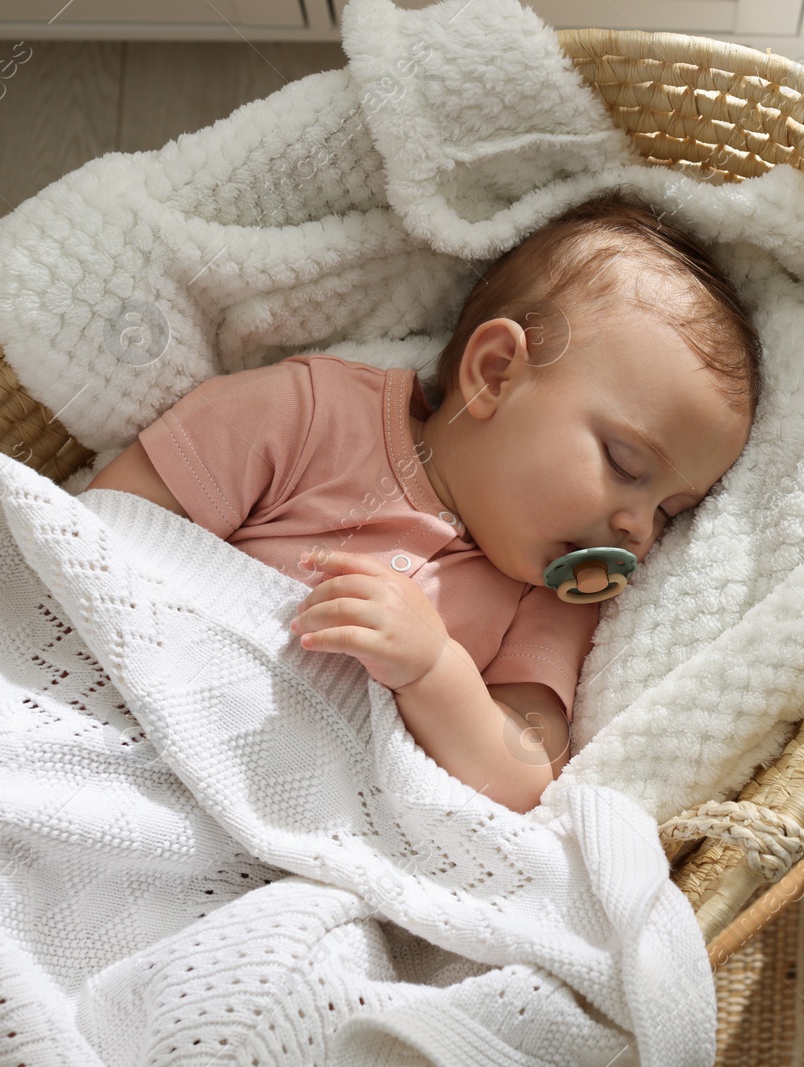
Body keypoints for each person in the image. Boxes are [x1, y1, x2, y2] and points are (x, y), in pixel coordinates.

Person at [86, 187, 761, 813]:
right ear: (496, 373)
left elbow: (523, 775)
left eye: (670, 511)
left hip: (300, 817)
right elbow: (110, 524)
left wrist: (436, 672)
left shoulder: (548, 598)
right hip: (140, 717)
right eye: (625, 462)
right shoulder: (313, 415)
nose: (637, 528)